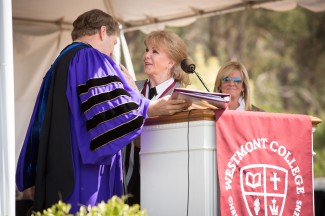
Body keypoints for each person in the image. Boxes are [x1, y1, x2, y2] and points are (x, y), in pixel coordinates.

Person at [15, 9, 191, 214]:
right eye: (114, 43)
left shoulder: (60, 62)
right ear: (102, 31)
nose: (111, 52)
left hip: (60, 167)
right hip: (82, 174)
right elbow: (109, 111)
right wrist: (147, 107)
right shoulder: (89, 57)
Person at [123, 30, 191, 205]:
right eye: (147, 49)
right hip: (127, 181)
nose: (146, 55)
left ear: (171, 62)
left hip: (166, 185)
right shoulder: (132, 88)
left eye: (155, 51)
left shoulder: (182, 98)